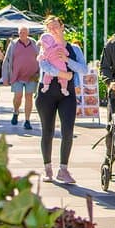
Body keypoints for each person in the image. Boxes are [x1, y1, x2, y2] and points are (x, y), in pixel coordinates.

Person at [37, 15, 88, 184]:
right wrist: (62, 73)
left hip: (67, 94)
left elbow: (83, 68)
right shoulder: (45, 46)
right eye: (49, 28)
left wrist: (67, 60)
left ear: (62, 27)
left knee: (68, 131)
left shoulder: (73, 48)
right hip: (47, 93)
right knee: (48, 131)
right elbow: (43, 66)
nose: (53, 30)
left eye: (55, 27)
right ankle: (47, 168)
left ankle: (63, 169)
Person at [1, 26, 40, 130]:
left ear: (28, 33)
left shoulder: (34, 43)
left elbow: (41, 57)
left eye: (24, 32)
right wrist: (5, 77)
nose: (22, 34)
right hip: (17, 75)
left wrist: (40, 74)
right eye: (20, 32)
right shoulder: (13, 44)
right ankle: (16, 111)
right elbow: (7, 60)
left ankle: (27, 120)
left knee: (29, 97)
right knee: (18, 96)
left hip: (32, 76)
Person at [39, 30, 71, 97]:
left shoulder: (46, 51)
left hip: (52, 67)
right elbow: (67, 53)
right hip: (62, 67)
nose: (42, 46)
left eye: (43, 44)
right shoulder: (59, 46)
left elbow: (42, 58)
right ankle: (64, 89)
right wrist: (65, 54)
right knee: (64, 79)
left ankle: (46, 86)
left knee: (47, 76)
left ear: (46, 44)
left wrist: (39, 57)